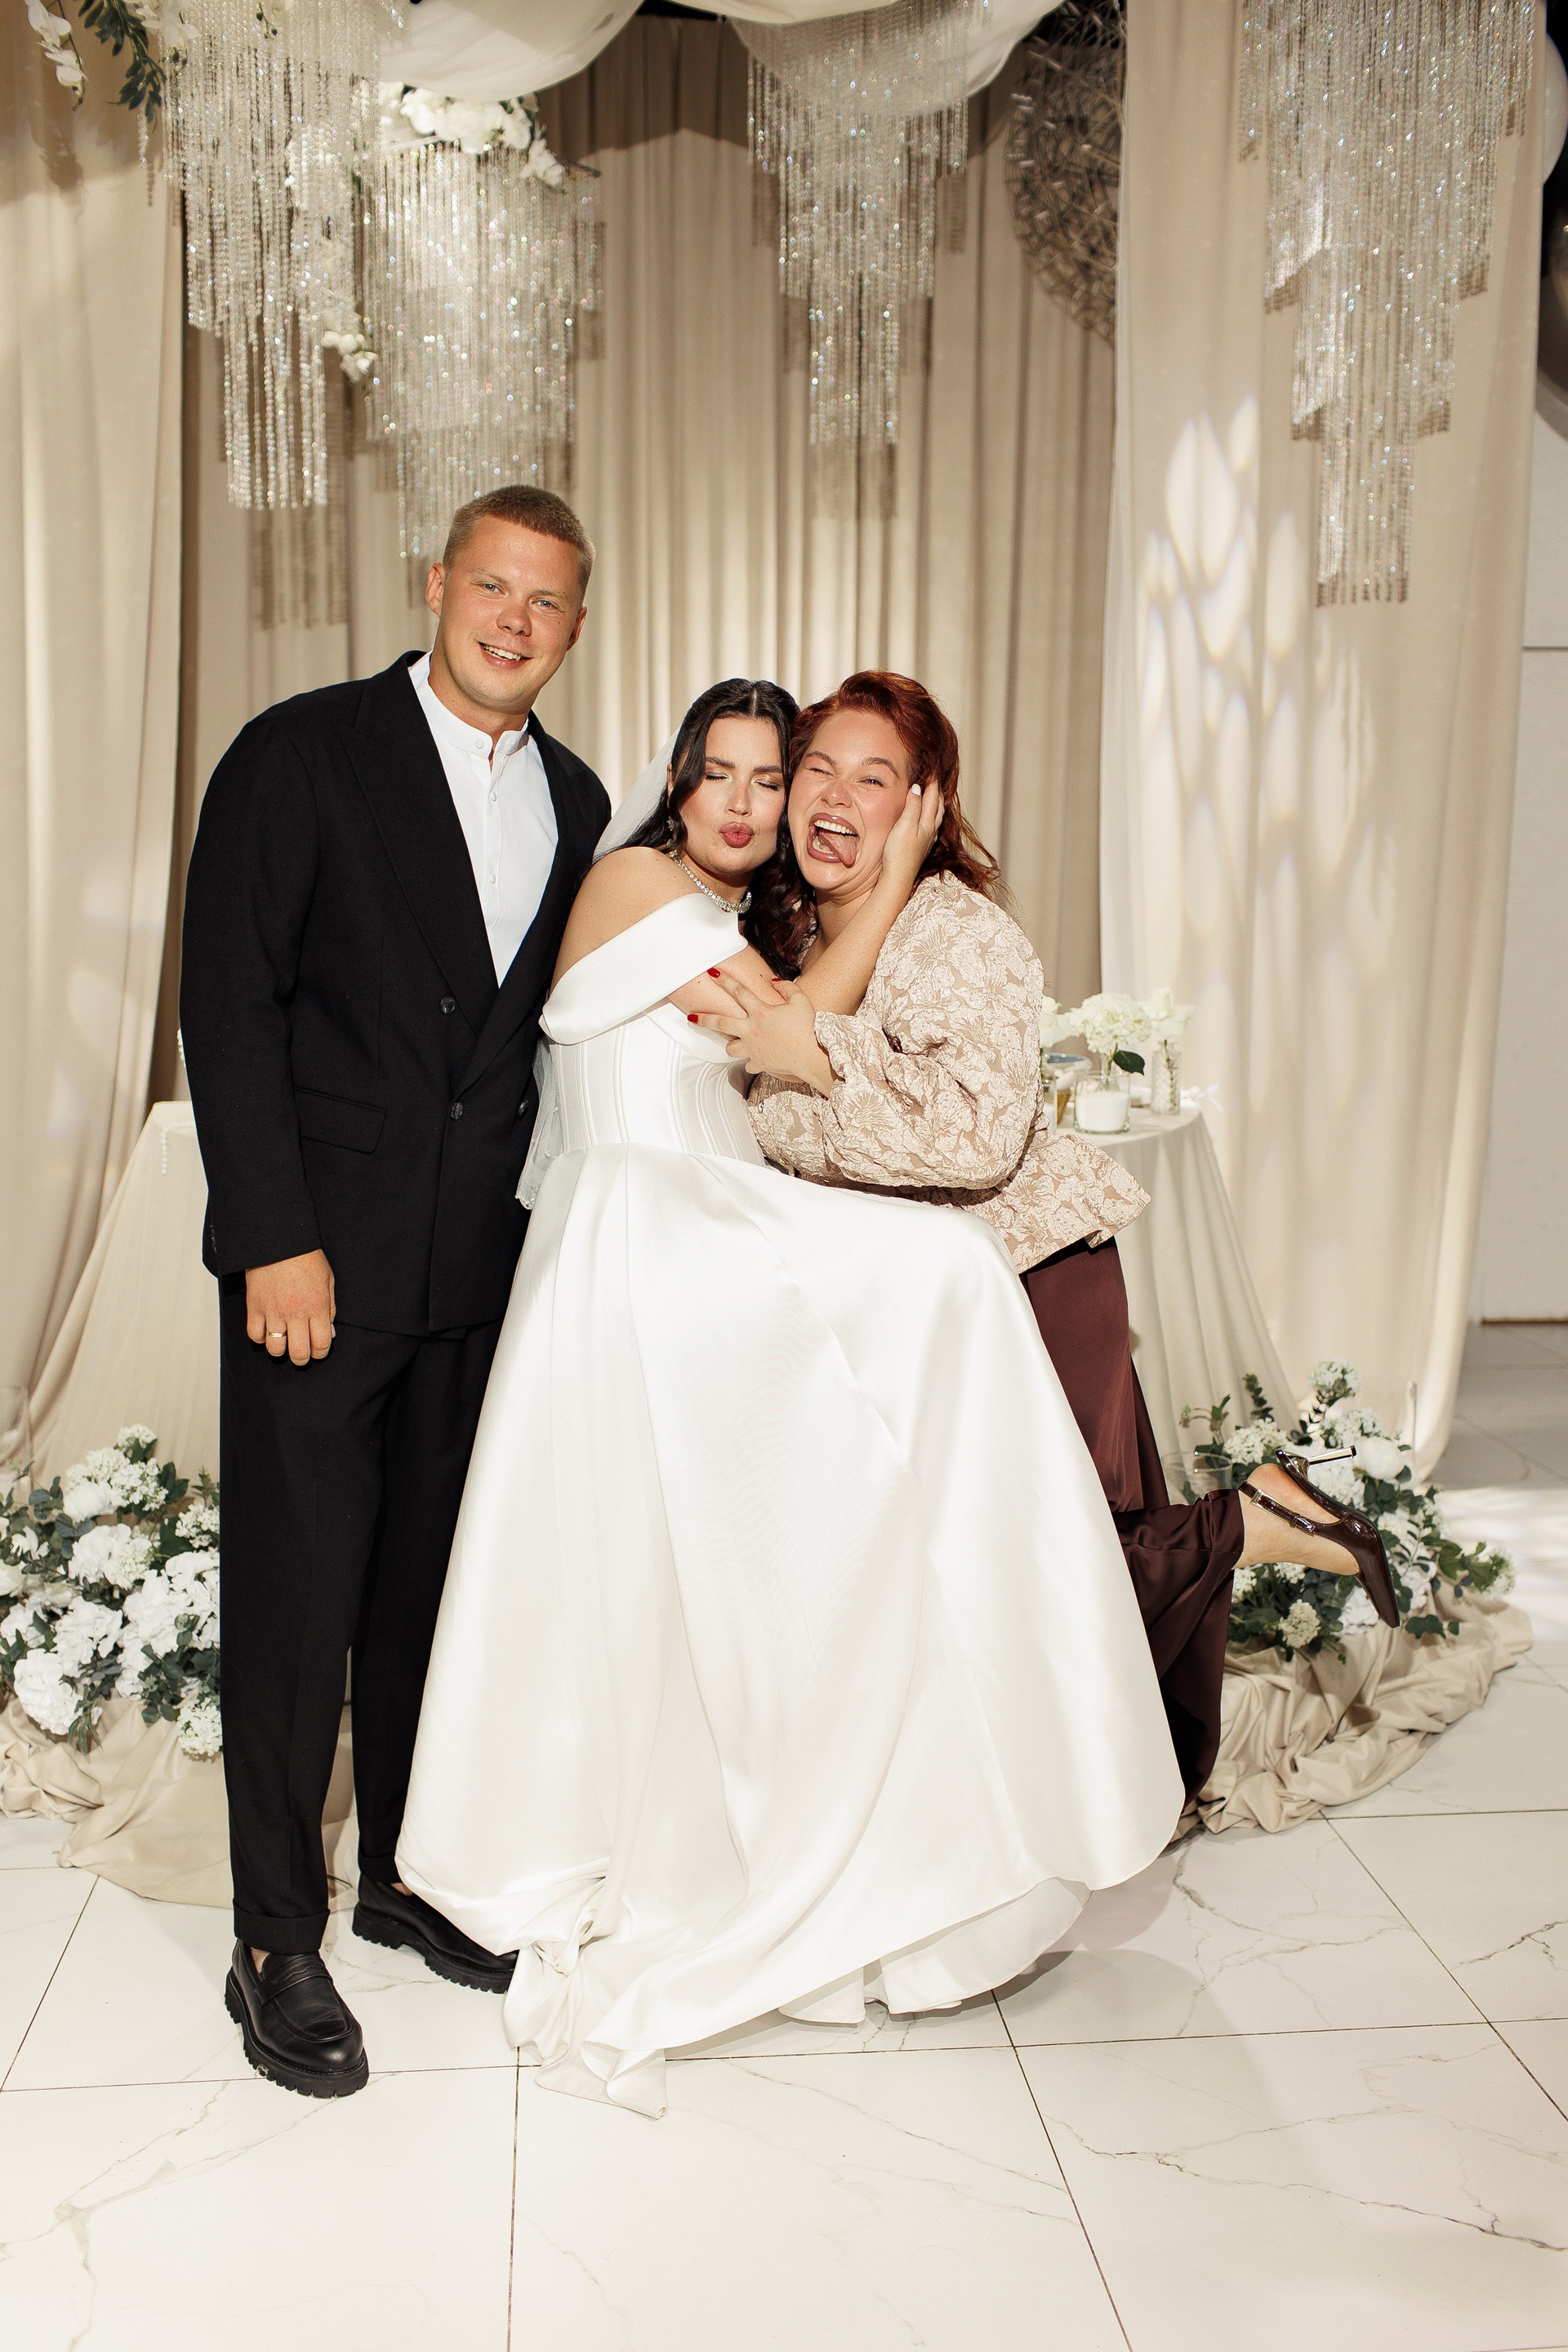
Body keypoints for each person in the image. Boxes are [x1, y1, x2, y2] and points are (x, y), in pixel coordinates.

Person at [395, 678, 1185, 2117]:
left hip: (734, 1232)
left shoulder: (795, 920)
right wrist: (890, 886)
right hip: (654, 1230)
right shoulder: (641, 887)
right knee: (925, 1325)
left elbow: (814, 1062)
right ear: (680, 783)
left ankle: (930, 1802)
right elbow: (779, 1031)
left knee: (858, 1513)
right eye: (742, 772)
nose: (764, 801)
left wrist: (889, 892)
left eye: (788, 777)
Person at [710, 671, 1397, 1800]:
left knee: (1039, 1568)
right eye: (817, 769)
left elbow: (976, 1141)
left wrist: (818, 1065)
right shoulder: (780, 926)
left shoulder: (960, 936)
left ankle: (1254, 1524)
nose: (833, 798)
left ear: (924, 806)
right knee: (952, 1567)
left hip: (1030, 1281)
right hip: (917, 1299)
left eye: (872, 779)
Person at [180, 486, 609, 2099]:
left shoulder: (578, 799)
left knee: (430, 1594)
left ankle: (404, 1881)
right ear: (437, 585)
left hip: (478, 1272)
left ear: (577, 628)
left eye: (546, 601)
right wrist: (270, 1234)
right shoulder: (299, 754)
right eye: (492, 585)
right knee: (297, 1605)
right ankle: (273, 1938)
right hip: (320, 1264)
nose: (514, 619)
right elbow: (228, 1003)